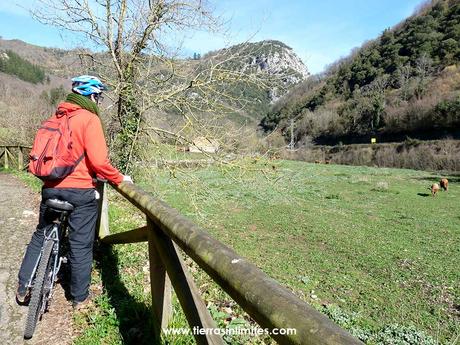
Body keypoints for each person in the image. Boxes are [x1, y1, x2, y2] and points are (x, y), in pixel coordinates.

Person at [17, 75, 131, 310]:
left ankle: (23, 288)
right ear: (91, 96)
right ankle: (79, 298)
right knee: (80, 244)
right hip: (80, 191)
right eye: (98, 96)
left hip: (51, 188)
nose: (98, 101)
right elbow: (99, 162)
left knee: (41, 234)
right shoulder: (89, 119)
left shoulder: (55, 117)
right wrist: (119, 179)